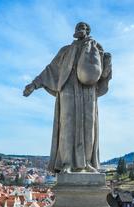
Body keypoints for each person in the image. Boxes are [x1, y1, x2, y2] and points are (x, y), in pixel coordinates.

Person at [23, 22, 112, 173]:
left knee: (88, 127)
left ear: (87, 30)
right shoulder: (66, 50)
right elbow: (50, 69)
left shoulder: (96, 48)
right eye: (77, 27)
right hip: (68, 89)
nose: (79, 30)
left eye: (82, 27)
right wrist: (34, 84)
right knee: (67, 126)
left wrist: (108, 64)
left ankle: (87, 163)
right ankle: (67, 163)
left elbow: (102, 75)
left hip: (87, 92)